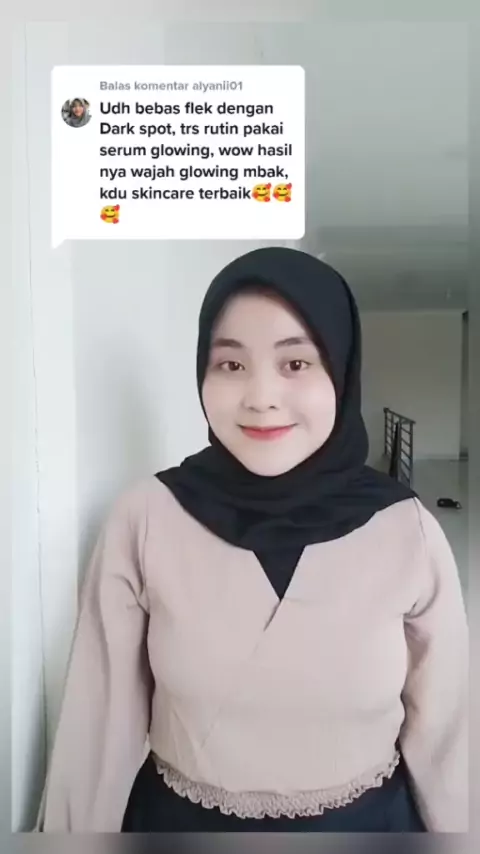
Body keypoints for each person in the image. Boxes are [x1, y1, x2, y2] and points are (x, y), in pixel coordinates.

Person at [36, 247, 468, 833]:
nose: (261, 396)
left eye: (296, 363)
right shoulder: (147, 518)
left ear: (341, 374)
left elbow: (448, 737)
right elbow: (96, 731)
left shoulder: (404, 529)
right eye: (231, 364)